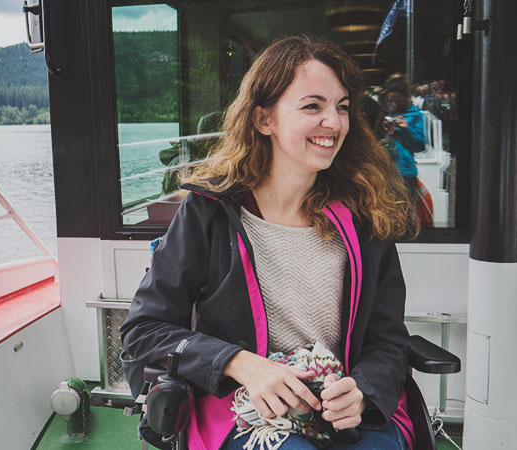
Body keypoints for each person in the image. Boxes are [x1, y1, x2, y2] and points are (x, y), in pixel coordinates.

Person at [120, 36, 417, 450]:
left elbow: (388, 339)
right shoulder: (209, 212)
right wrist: (240, 364)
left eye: (342, 107)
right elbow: (144, 330)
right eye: (313, 106)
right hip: (238, 400)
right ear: (264, 119)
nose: (334, 122)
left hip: (343, 404)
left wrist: (364, 390)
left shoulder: (365, 217)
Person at [381, 75, 432, 227]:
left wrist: (406, 129)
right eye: (390, 101)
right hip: (387, 171)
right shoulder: (391, 114)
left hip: (405, 173)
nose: (393, 104)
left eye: (397, 100)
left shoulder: (415, 116)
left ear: (406, 97)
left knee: (404, 217)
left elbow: (420, 145)